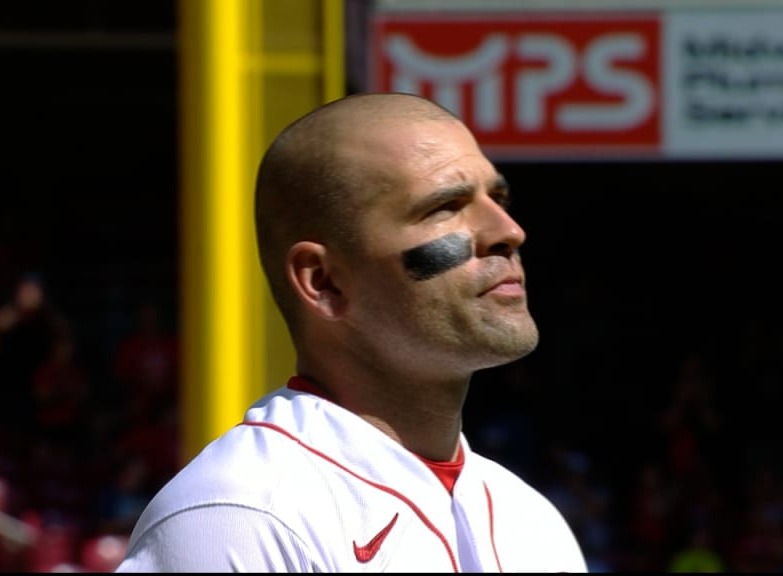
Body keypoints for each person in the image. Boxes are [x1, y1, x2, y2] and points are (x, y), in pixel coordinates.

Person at [116, 92, 589, 572]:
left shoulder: (531, 522)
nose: (509, 230)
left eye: (500, 198)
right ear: (324, 281)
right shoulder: (243, 518)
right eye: (445, 206)